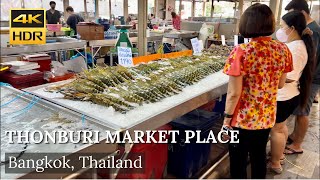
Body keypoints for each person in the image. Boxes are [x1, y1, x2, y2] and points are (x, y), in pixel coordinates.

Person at [222, 4, 293, 178]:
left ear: (247, 24)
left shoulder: (242, 51)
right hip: (266, 117)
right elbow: (280, 85)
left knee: (238, 162)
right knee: (259, 157)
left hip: (241, 120)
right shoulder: (283, 49)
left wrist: (226, 120)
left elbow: (233, 93)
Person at [269, 10, 315, 174]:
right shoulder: (297, 45)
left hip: (284, 96)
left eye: (282, 26)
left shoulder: (295, 49)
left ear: (292, 28)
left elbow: (290, 77)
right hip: (290, 95)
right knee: (281, 128)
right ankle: (279, 155)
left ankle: (275, 163)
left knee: (278, 129)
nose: (280, 30)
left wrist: (269, 78)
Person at [284, 0, 320, 155]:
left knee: (303, 111)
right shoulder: (309, 28)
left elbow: (311, 57)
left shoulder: (313, 30)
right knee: (300, 109)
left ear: (301, 12)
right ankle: (294, 136)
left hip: (312, 78)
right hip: (308, 77)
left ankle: (297, 144)